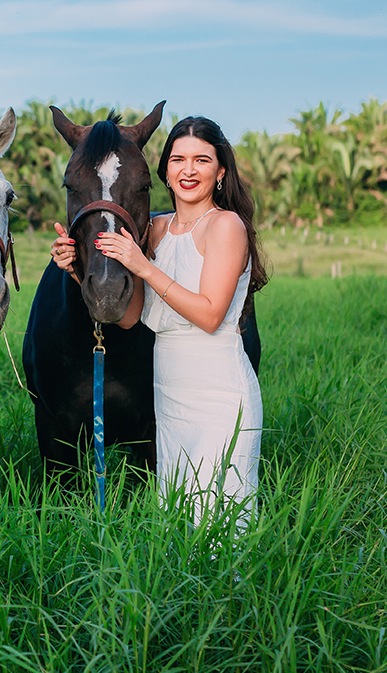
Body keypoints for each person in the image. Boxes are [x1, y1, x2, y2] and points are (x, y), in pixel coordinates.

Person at [52, 116, 267, 525]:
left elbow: (209, 314)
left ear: (220, 171)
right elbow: (132, 318)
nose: (188, 170)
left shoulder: (226, 226)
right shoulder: (154, 230)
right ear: (164, 169)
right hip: (170, 399)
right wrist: (77, 271)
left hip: (218, 396)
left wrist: (143, 266)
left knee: (221, 527)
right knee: (180, 529)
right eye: (178, 159)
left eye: (201, 160)